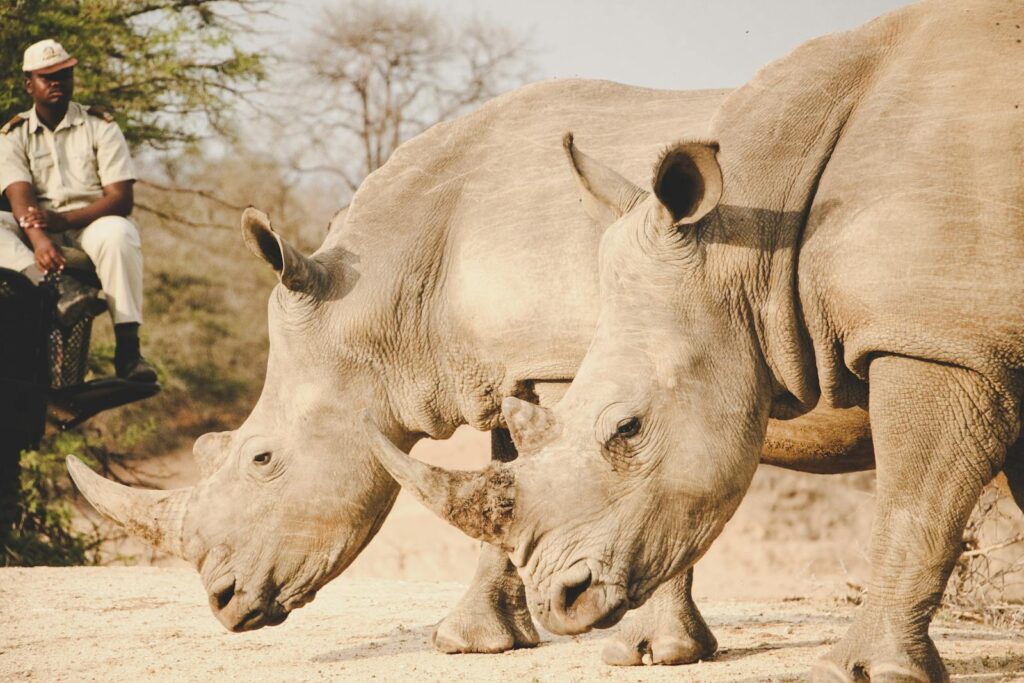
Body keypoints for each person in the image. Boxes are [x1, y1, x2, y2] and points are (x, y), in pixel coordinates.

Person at [0, 39, 156, 383]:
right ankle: (59, 294)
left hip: (89, 228)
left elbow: (120, 198)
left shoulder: (100, 125)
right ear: (30, 84)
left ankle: (128, 350)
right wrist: (40, 241)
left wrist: (63, 220)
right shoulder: (13, 134)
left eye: (64, 75)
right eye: (47, 77)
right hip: (36, 236)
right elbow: (19, 194)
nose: (57, 83)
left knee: (120, 231)